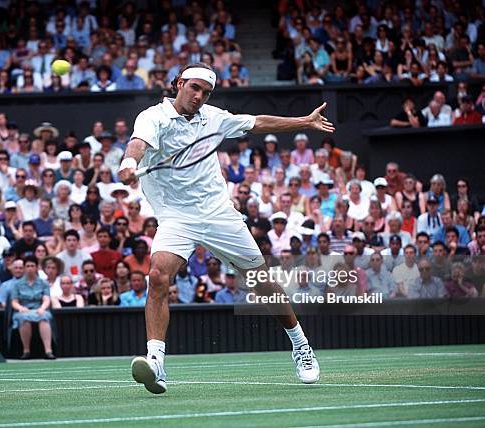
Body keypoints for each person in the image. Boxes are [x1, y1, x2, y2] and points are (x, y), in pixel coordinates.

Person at [119, 62, 333, 393]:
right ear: (179, 84)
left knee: (261, 281)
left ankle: (301, 345)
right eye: (194, 88)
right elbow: (138, 143)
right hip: (177, 216)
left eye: (206, 92)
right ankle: (156, 363)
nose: (199, 96)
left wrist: (304, 121)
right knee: (158, 275)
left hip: (218, 212)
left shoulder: (215, 118)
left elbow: (258, 122)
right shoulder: (153, 117)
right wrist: (129, 162)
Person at [10, 256, 55, 359]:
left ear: (36, 267)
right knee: (23, 318)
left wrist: (42, 308)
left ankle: (48, 351)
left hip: (39, 309)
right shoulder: (17, 284)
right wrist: (21, 308)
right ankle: (26, 351)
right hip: (24, 310)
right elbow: (14, 302)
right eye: (27, 266)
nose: (30, 268)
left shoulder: (43, 283)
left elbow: (46, 299)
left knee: (44, 317)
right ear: (24, 268)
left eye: (32, 266)